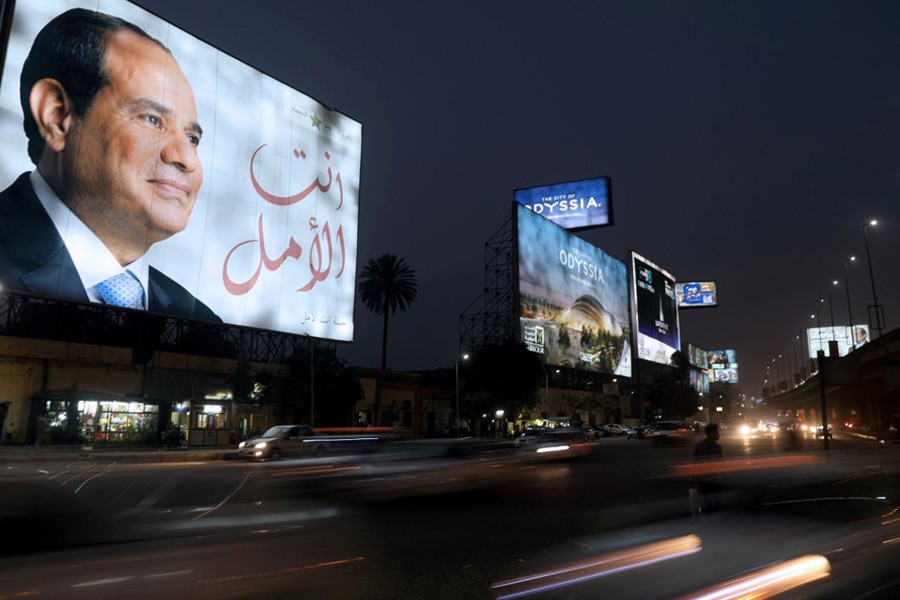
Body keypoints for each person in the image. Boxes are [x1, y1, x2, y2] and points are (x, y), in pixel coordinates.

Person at [0, 8, 219, 322]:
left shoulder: (201, 322)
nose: (186, 159)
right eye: (152, 120)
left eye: (193, 138)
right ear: (57, 116)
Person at [692, 423, 723, 514]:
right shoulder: (700, 446)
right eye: (717, 432)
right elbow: (695, 462)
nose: (719, 435)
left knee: (716, 503)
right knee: (708, 503)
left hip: (714, 479)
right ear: (710, 433)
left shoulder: (718, 447)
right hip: (704, 480)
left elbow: (720, 462)